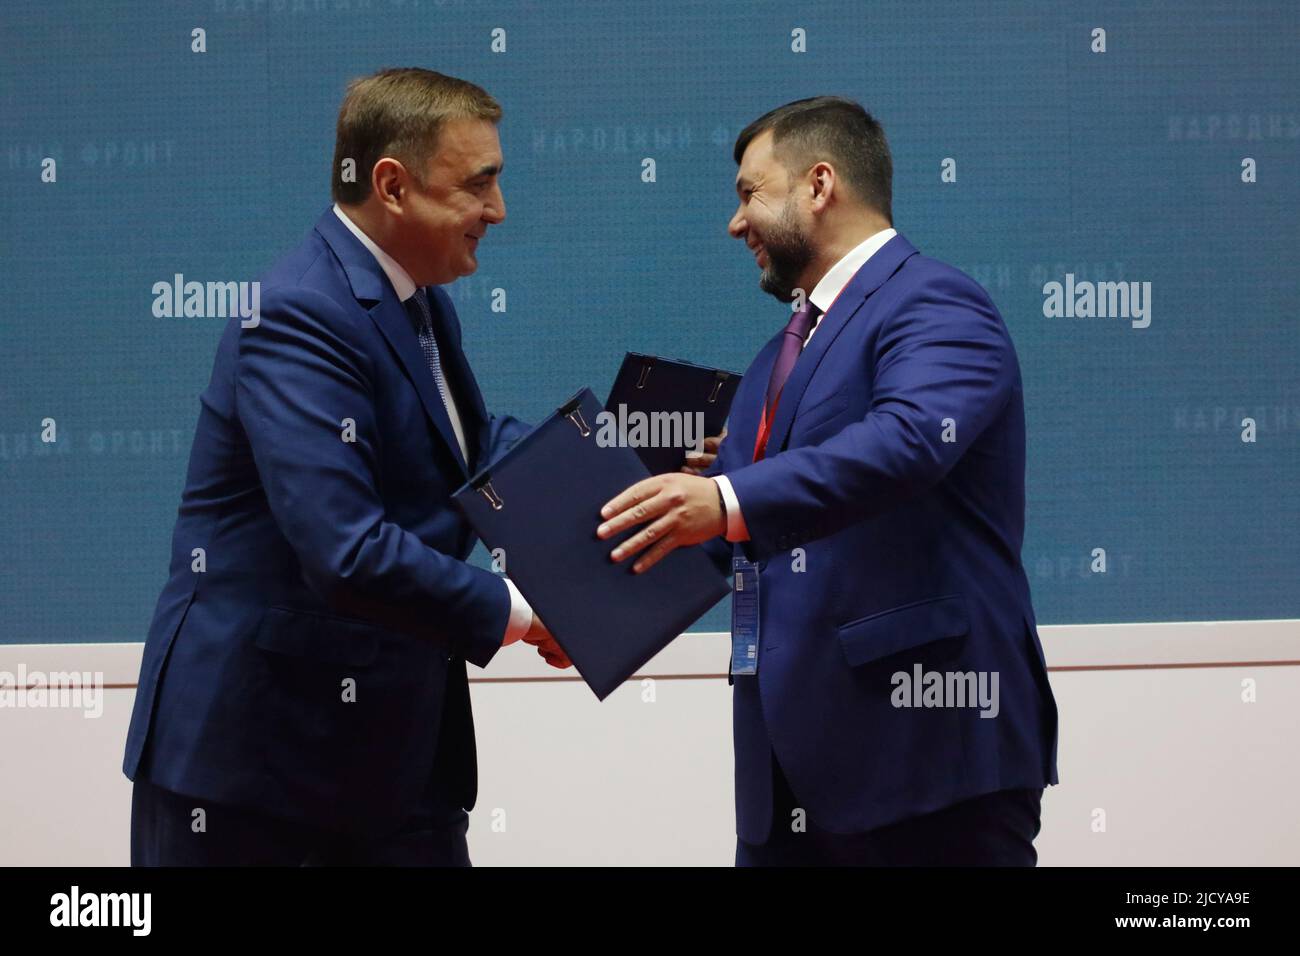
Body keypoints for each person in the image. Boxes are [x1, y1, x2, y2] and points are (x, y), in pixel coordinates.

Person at [124, 67, 568, 867]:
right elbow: (347, 551)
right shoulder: (300, 312)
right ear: (392, 186)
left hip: (384, 769)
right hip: (261, 778)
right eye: (480, 185)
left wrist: (631, 475)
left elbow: (470, 446)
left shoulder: (416, 296)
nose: (497, 211)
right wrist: (530, 612)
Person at [599, 96, 1059, 865]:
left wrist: (724, 497)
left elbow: (911, 440)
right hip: (787, 780)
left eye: (750, 193)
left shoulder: (936, 302)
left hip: (924, 761)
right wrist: (556, 609)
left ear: (819, 185)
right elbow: (730, 533)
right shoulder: (773, 362)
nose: (735, 223)